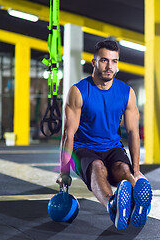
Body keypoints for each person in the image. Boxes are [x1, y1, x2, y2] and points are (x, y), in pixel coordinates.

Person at [56, 39, 152, 230]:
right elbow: (68, 134)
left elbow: (133, 133)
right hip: (84, 148)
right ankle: (113, 204)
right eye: (104, 61)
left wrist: (136, 169)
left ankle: (136, 200)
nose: (109, 66)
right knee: (98, 167)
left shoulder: (126, 92)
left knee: (123, 170)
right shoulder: (78, 91)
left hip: (112, 146)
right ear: (94, 63)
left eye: (114, 61)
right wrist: (64, 172)